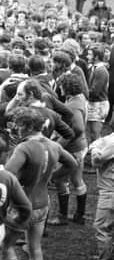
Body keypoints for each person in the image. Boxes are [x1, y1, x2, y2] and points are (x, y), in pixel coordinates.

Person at [4, 107, 78, 260]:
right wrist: (53, 176)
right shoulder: (54, 146)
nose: (16, 129)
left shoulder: (24, 147)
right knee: (34, 248)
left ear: (29, 127)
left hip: (21, 205)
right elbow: (72, 163)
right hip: (43, 204)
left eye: (19, 125)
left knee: (6, 246)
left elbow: (7, 176)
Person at [48, 73, 88, 226]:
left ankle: (62, 216)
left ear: (67, 87)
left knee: (59, 179)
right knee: (77, 180)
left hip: (72, 148)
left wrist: (60, 143)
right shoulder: (80, 98)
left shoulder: (73, 105)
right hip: (81, 145)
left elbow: (78, 127)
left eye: (61, 86)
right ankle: (79, 216)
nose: (60, 88)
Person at [81, 132, 114, 260]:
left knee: (102, 228)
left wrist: (94, 147)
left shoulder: (111, 142)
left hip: (110, 190)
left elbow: (96, 160)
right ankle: (107, 256)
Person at [87, 44, 109, 144]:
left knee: (95, 133)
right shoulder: (93, 68)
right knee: (92, 133)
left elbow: (95, 92)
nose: (87, 56)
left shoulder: (101, 71)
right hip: (94, 104)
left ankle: (99, 155)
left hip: (99, 105)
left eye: (90, 55)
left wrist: (83, 92)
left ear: (96, 57)